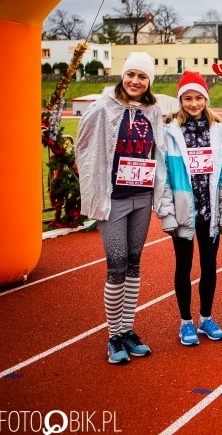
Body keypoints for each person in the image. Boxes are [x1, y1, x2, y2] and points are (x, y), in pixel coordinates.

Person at [76, 52, 166, 364]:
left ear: (149, 81)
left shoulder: (153, 110)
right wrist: (94, 184)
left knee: (134, 264)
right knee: (116, 268)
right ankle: (113, 335)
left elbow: (161, 149)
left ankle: (128, 330)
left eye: (142, 77)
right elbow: (84, 146)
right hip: (113, 198)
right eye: (131, 75)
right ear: (122, 76)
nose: (135, 81)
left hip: (141, 196)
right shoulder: (102, 108)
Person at [159, 71, 222, 346]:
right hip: (182, 212)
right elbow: (163, 176)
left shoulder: (217, 129)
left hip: (210, 210)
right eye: (188, 98)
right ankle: (185, 322)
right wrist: (166, 213)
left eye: (198, 98)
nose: (194, 103)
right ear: (180, 100)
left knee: (209, 266)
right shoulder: (169, 131)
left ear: (206, 98)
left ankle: (206, 317)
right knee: (184, 266)